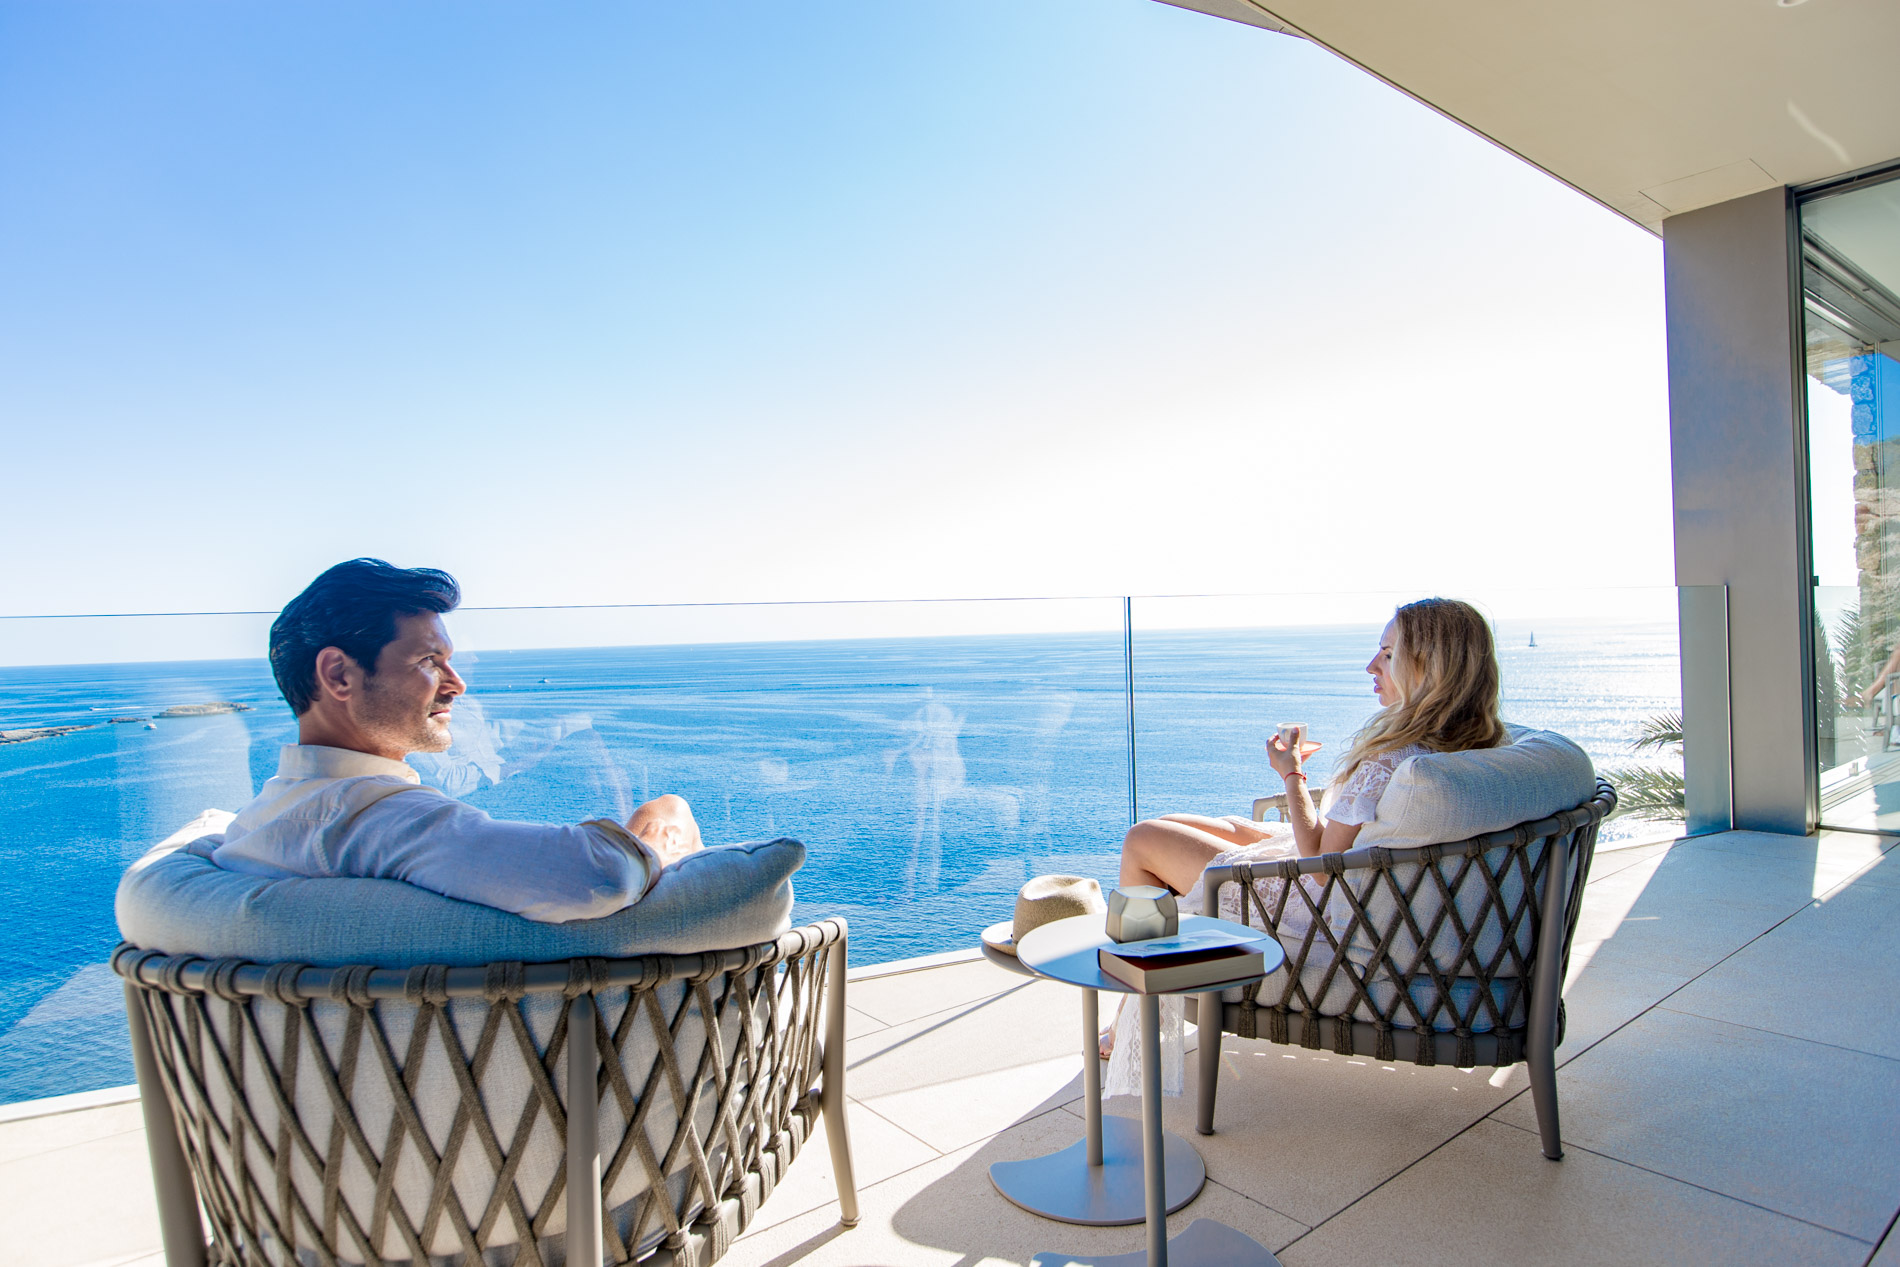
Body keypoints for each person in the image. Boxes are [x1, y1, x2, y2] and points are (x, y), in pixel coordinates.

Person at [1100, 596, 1509, 1060]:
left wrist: (1291, 772)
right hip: (1369, 884)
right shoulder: (1473, 744)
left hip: (1321, 908)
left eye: (1388, 654)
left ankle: (1133, 1019)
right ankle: (1147, 999)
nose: (1371, 666)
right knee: (1192, 826)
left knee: (1143, 840)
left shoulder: (1391, 758)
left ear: (1429, 666)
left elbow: (1318, 863)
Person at [208, 558, 705, 922]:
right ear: (339, 674)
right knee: (667, 811)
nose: (457, 683)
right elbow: (598, 877)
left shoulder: (256, 823)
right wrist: (663, 826)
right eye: (429, 661)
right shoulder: (380, 821)